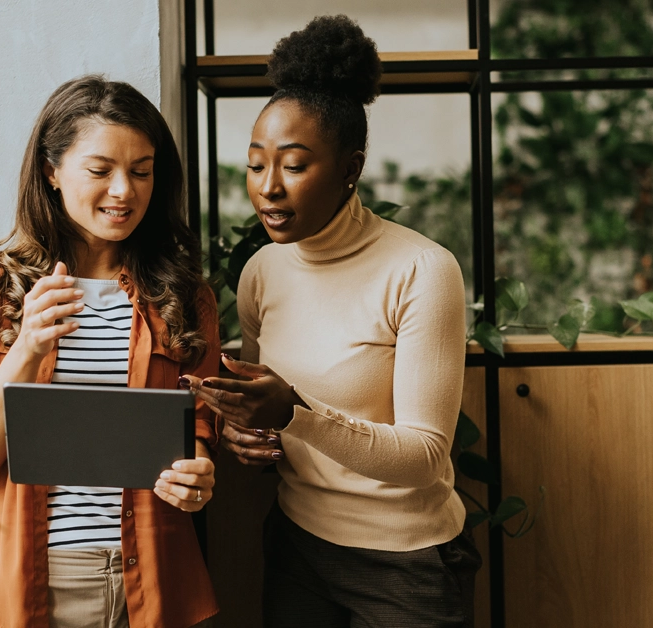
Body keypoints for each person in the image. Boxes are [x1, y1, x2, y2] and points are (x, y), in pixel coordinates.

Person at [180, 15, 481, 628]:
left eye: (294, 165)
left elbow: (425, 455)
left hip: (408, 563)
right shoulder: (262, 271)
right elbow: (272, 419)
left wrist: (294, 413)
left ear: (350, 168)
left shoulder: (422, 270)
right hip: (297, 545)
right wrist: (251, 436)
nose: (268, 189)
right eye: (255, 164)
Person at [0, 75, 220, 628]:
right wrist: (28, 349)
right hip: (36, 581)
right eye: (100, 170)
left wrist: (198, 477)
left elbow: (197, 436)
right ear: (51, 171)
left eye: (142, 172)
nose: (124, 191)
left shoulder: (185, 296)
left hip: (159, 584)